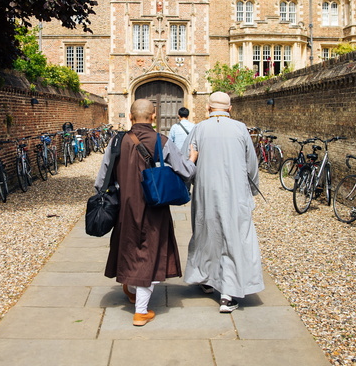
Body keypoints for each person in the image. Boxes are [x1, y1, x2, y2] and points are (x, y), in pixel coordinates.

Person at [94, 99, 195, 326]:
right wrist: (194, 160)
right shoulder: (162, 141)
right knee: (149, 252)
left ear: (130, 117)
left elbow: (102, 178)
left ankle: (131, 288)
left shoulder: (116, 141)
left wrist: (104, 197)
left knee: (129, 246)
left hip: (124, 207)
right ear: (154, 117)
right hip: (153, 207)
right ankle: (141, 311)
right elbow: (185, 171)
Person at [183, 91, 264, 313]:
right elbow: (251, 164)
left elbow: (187, 163)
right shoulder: (240, 128)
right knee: (233, 237)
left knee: (207, 234)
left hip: (206, 193)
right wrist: (253, 189)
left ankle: (206, 279)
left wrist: (187, 185)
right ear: (230, 108)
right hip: (235, 193)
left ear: (208, 108)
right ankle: (228, 294)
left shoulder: (198, 129)